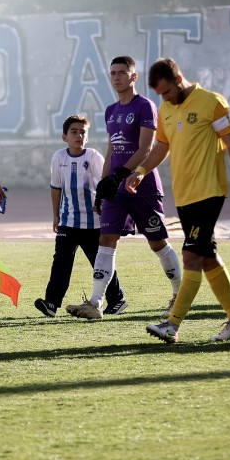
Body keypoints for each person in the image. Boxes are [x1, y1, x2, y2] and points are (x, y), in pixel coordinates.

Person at [124, 58, 230, 343]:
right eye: (160, 94)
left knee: (191, 255)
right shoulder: (166, 108)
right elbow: (162, 146)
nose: (166, 98)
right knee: (207, 258)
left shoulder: (212, 102)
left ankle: (172, 324)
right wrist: (141, 171)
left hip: (210, 192)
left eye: (167, 91)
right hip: (184, 197)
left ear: (179, 78)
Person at [65, 56, 182, 320]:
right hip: (116, 189)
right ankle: (95, 303)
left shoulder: (145, 106)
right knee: (106, 240)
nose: (116, 77)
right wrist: (102, 187)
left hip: (143, 187)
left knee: (157, 243)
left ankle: (179, 295)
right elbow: (110, 151)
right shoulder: (111, 111)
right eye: (113, 73)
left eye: (122, 72)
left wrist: (119, 175)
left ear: (134, 76)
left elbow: (146, 148)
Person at [35, 115, 127, 317]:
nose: (78, 135)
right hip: (68, 221)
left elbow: (104, 184)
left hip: (93, 222)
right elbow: (56, 187)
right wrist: (55, 216)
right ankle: (51, 304)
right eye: (74, 132)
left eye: (82, 132)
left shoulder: (93, 157)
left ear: (87, 136)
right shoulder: (59, 157)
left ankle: (117, 299)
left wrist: (102, 207)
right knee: (61, 260)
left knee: (99, 262)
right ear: (64, 137)